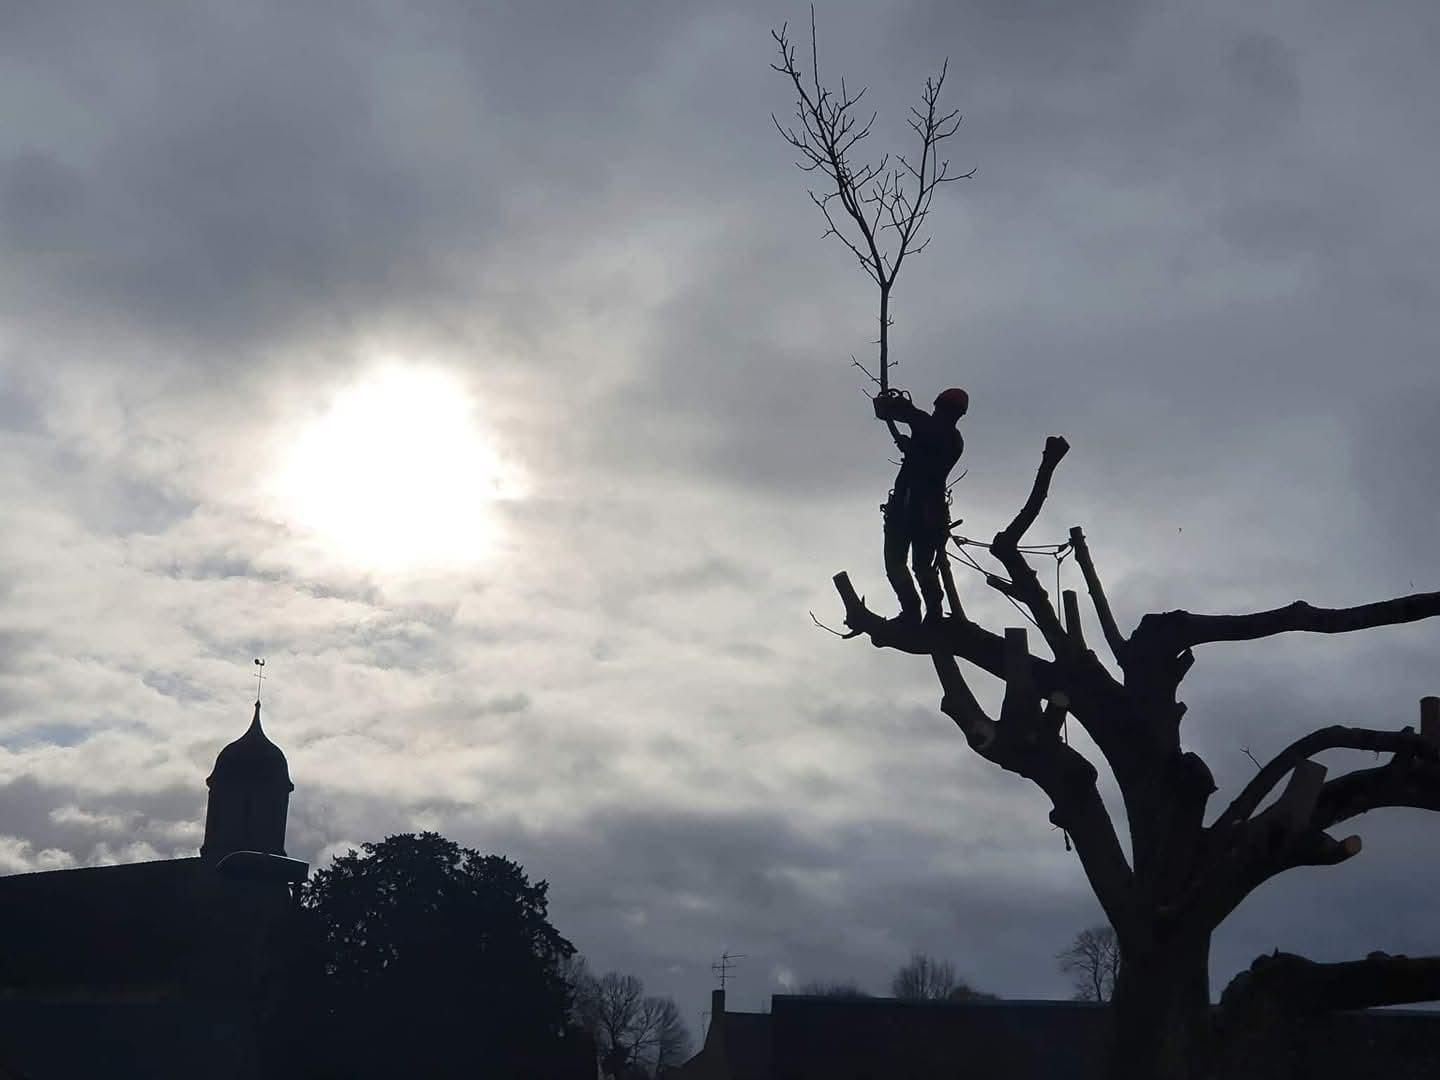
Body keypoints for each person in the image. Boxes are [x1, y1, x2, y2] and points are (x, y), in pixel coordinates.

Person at [873, 387, 968, 625]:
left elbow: (885, 411)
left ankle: (911, 611)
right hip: (932, 513)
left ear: (937, 405)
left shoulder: (925, 423)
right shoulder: (956, 441)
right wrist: (911, 448)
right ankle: (933, 613)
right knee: (923, 566)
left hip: (908, 508)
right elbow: (929, 458)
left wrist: (889, 401)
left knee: (895, 562)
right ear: (960, 414)